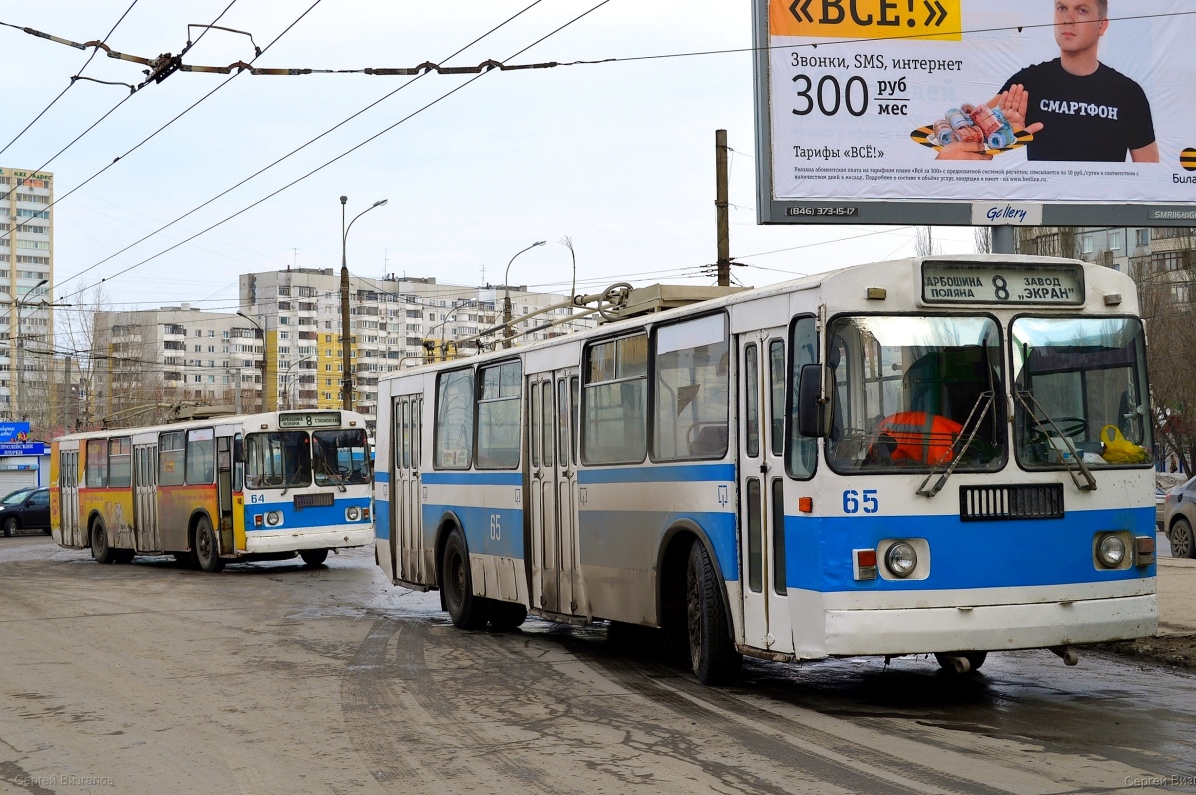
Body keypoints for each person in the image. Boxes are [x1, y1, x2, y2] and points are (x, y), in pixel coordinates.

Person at [939, 0, 1157, 162]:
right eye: (1062, 8)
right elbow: (970, 135)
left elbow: (1151, 175)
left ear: (1102, 26)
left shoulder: (1129, 94)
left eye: (1081, 10)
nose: (1067, 19)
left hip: (1103, 215)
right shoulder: (1028, 82)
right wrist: (1002, 135)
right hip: (1042, 214)